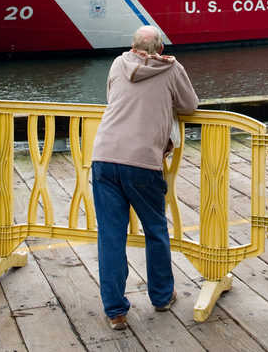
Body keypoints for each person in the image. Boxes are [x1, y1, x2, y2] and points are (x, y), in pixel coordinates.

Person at [91, 25, 199, 330]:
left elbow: (111, 96)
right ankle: (162, 296)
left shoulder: (118, 63)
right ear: (161, 49)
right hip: (142, 161)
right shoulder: (172, 68)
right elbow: (190, 105)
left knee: (111, 236)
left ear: (131, 46)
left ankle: (115, 311)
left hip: (104, 156)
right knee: (155, 229)